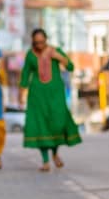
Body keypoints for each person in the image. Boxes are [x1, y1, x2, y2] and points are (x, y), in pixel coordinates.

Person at [19, 28, 81, 171]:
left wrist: (59, 58)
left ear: (46, 40)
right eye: (37, 42)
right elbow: (25, 75)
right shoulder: (30, 55)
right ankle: (45, 160)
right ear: (33, 42)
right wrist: (21, 95)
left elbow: (71, 66)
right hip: (37, 96)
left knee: (57, 124)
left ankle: (55, 153)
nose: (39, 45)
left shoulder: (55, 50)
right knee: (41, 126)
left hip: (55, 95)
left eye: (42, 42)